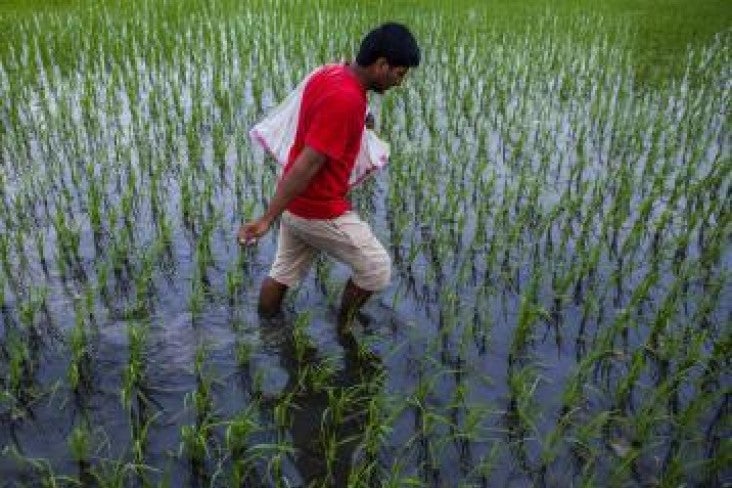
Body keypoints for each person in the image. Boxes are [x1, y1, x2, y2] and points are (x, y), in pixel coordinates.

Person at [237, 23, 420, 335]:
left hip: (296, 205)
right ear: (381, 65)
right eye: (399, 74)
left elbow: (328, 116)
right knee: (376, 269)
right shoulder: (346, 99)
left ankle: (264, 333)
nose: (399, 82)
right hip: (316, 208)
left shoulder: (331, 73)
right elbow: (308, 164)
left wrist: (362, 120)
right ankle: (344, 330)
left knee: (281, 273)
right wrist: (267, 218)